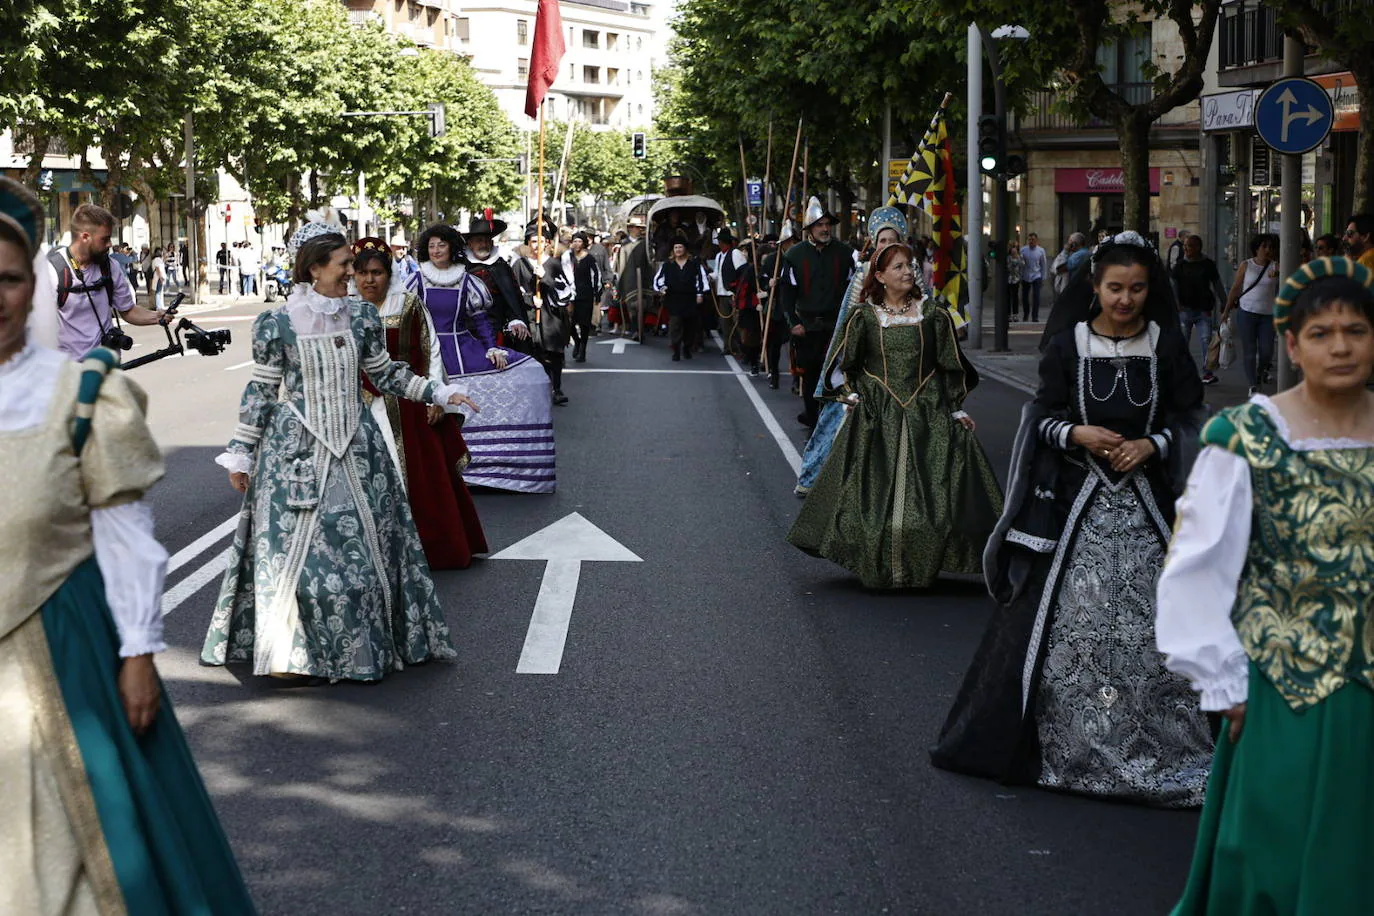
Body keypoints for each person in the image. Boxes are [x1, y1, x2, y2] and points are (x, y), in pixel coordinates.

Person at [0, 177, 258, 913]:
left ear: (28, 287)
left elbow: (125, 538)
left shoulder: (79, 396)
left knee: (72, 846)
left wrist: (138, 655)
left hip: (61, 648)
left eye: (8, 279)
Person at [933, 233, 1213, 808]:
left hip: (1150, 508)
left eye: (1137, 288)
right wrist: (1076, 433)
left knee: (1161, 631)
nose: (1126, 299)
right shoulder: (1067, 344)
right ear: (1095, 287)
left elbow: (1190, 418)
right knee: (1068, 633)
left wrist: (1154, 445)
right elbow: (1042, 417)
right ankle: (1071, 751)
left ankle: (1162, 750)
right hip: (1074, 508)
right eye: (1115, 288)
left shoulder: (1166, 347)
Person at [1159, 256, 1374, 913]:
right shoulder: (1248, 437)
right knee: (1275, 852)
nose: (1340, 345)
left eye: (1357, 330)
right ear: (1290, 343)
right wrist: (1224, 681)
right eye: (1321, 333)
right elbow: (1199, 565)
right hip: (1285, 688)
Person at [204, 229, 477, 682]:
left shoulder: (362, 317)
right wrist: (241, 452)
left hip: (358, 447)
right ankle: (290, 655)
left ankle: (357, 651)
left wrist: (439, 391)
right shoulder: (277, 324)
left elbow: (385, 374)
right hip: (295, 450)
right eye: (344, 265)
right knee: (296, 559)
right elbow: (262, 391)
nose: (353, 273)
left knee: (360, 557)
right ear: (313, 268)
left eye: (353, 265)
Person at [787, 242, 1002, 588]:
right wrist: (853, 395)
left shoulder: (932, 314)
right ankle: (882, 564)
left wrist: (955, 407)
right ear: (881, 276)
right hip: (877, 416)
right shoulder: (865, 317)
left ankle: (920, 564)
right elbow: (846, 365)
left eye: (910, 265)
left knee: (935, 499)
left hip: (927, 414)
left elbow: (950, 366)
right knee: (872, 497)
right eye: (899, 266)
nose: (907, 272)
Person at [353, 237, 488, 569]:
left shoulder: (409, 304)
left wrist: (436, 398)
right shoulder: (343, 309)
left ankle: (417, 549)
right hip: (357, 406)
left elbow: (431, 353)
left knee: (414, 478)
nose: (370, 280)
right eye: (362, 273)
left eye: (376, 273)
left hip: (405, 403)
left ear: (389, 274)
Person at [408, 223, 557, 493]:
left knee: (532, 372)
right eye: (431, 245)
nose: (436, 250)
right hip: (428, 351)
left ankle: (495, 465)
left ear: (452, 248)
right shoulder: (416, 280)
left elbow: (481, 322)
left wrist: (492, 348)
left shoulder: (466, 280)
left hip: (463, 347)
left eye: (442, 244)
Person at [795, 207, 908, 496]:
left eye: (891, 240)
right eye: (881, 241)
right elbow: (847, 327)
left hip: (903, 367)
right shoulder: (863, 276)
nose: (886, 246)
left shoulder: (911, 275)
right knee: (846, 417)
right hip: (865, 367)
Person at [32, 204, 164, 358]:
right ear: (85, 237)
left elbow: (128, 310)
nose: (109, 245)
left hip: (107, 368)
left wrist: (157, 317)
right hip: (69, 373)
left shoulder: (109, 266)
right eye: (105, 239)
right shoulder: (52, 271)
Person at [780, 198, 855, 428]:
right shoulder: (794, 255)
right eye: (819, 224)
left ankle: (832, 415)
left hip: (836, 325)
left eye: (827, 224)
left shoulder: (845, 253)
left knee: (837, 374)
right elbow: (787, 293)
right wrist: (793, 322)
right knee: (810, 373)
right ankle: (812, 416)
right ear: (810, 228)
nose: (824, 229)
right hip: (808, 325)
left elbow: (855, 288)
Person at [512, 220, 571, 405]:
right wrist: (530, 300)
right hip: (529, 316)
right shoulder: (519, 265)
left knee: (553, 353)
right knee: (532, 353)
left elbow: (566, 291)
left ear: (547, 243)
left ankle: (557, 388)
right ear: (528, 243)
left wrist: (544, 277)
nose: (537, 245)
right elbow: (512, 293)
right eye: (533, 241)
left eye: (541, 241)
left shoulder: (554, 264)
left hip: (551, 316)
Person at [463, 214, 534, 355]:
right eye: (479, 240)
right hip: (467, 333)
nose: (483, 244)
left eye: (487, 240)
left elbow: (513, 301)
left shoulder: (502, 268)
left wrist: (515, 319)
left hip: (499, 333)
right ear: (470, 244)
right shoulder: (461, 269)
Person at [1221, 232, 1280, 396]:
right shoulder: (1246, 265)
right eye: (1264, 246)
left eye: (1271, 247)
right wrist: (1226, 311)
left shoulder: (1276, 266)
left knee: (1267, 350)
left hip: (1268, 315)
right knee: (1249, 350)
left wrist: (1279, 275)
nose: (1267, 250)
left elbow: (1286, 285)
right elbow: (1235, 288)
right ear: (1256, 248)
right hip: (1247, 313)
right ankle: (1253, 384)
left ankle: (1260, 373)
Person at [1172, 233, 1226, 385]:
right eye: (1185, 246)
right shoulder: (1180, 265)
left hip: (1203, 310)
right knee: (1183, 342)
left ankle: (1207, 372)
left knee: (1206, 341)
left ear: (1197, 247)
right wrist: (1176, 304)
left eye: (1189, 246)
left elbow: (1217, 284)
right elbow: (1174, 286)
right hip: (1185, 310)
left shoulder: (1208, 264)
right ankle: (1182, 373)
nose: (1186, 249)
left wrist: (1225, 303)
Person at [652, 236, 710, 361]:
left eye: (680, 247)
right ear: (673, 250)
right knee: (675, 324)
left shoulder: (694, 264)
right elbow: (658, 280)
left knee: (690, 325)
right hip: (674, 298)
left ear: (685, 249)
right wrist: (662, 288)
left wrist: (699, 294)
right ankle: (676, 349)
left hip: (690, 298)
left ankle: (687, 347)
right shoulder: (667, 265)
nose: (678, 250)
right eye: (676, 247)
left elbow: (701, 279)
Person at [564, 232, 601, 363]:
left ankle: (583, 350)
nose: (577, 244)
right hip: (570, 295)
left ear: (584, 243)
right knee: (570, 322)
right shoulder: (567, 257)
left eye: (580, 241)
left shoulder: (590, 259)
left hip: (586, 295)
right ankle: (577, 342)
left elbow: (596, 275)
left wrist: (597, 293)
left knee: (584, 324)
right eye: (575, 241)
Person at [1021, 232, 1048, 321]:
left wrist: (1043, 277)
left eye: (1033, 240)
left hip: (1037, 275)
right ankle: (1026, 315)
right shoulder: (1023, 250)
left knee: (1036, 296)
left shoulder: (1041, 250)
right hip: (1025, 275)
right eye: (1029, 240)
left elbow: (1043, 264)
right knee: (1025, 297)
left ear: (1036, 241)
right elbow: (1020, 263)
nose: (1031, 241)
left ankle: (1035, 316)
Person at [1007, 240, 1024, 321]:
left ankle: (1015, 314)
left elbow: (1022, 265)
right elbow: (1008, 267)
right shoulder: (1008, 257)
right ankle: (1008, 314)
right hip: (1008, 279)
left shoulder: (1019, 256)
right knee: (1008, 297)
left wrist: (1017, 257)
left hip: (1016, 279)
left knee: (1015, 297)